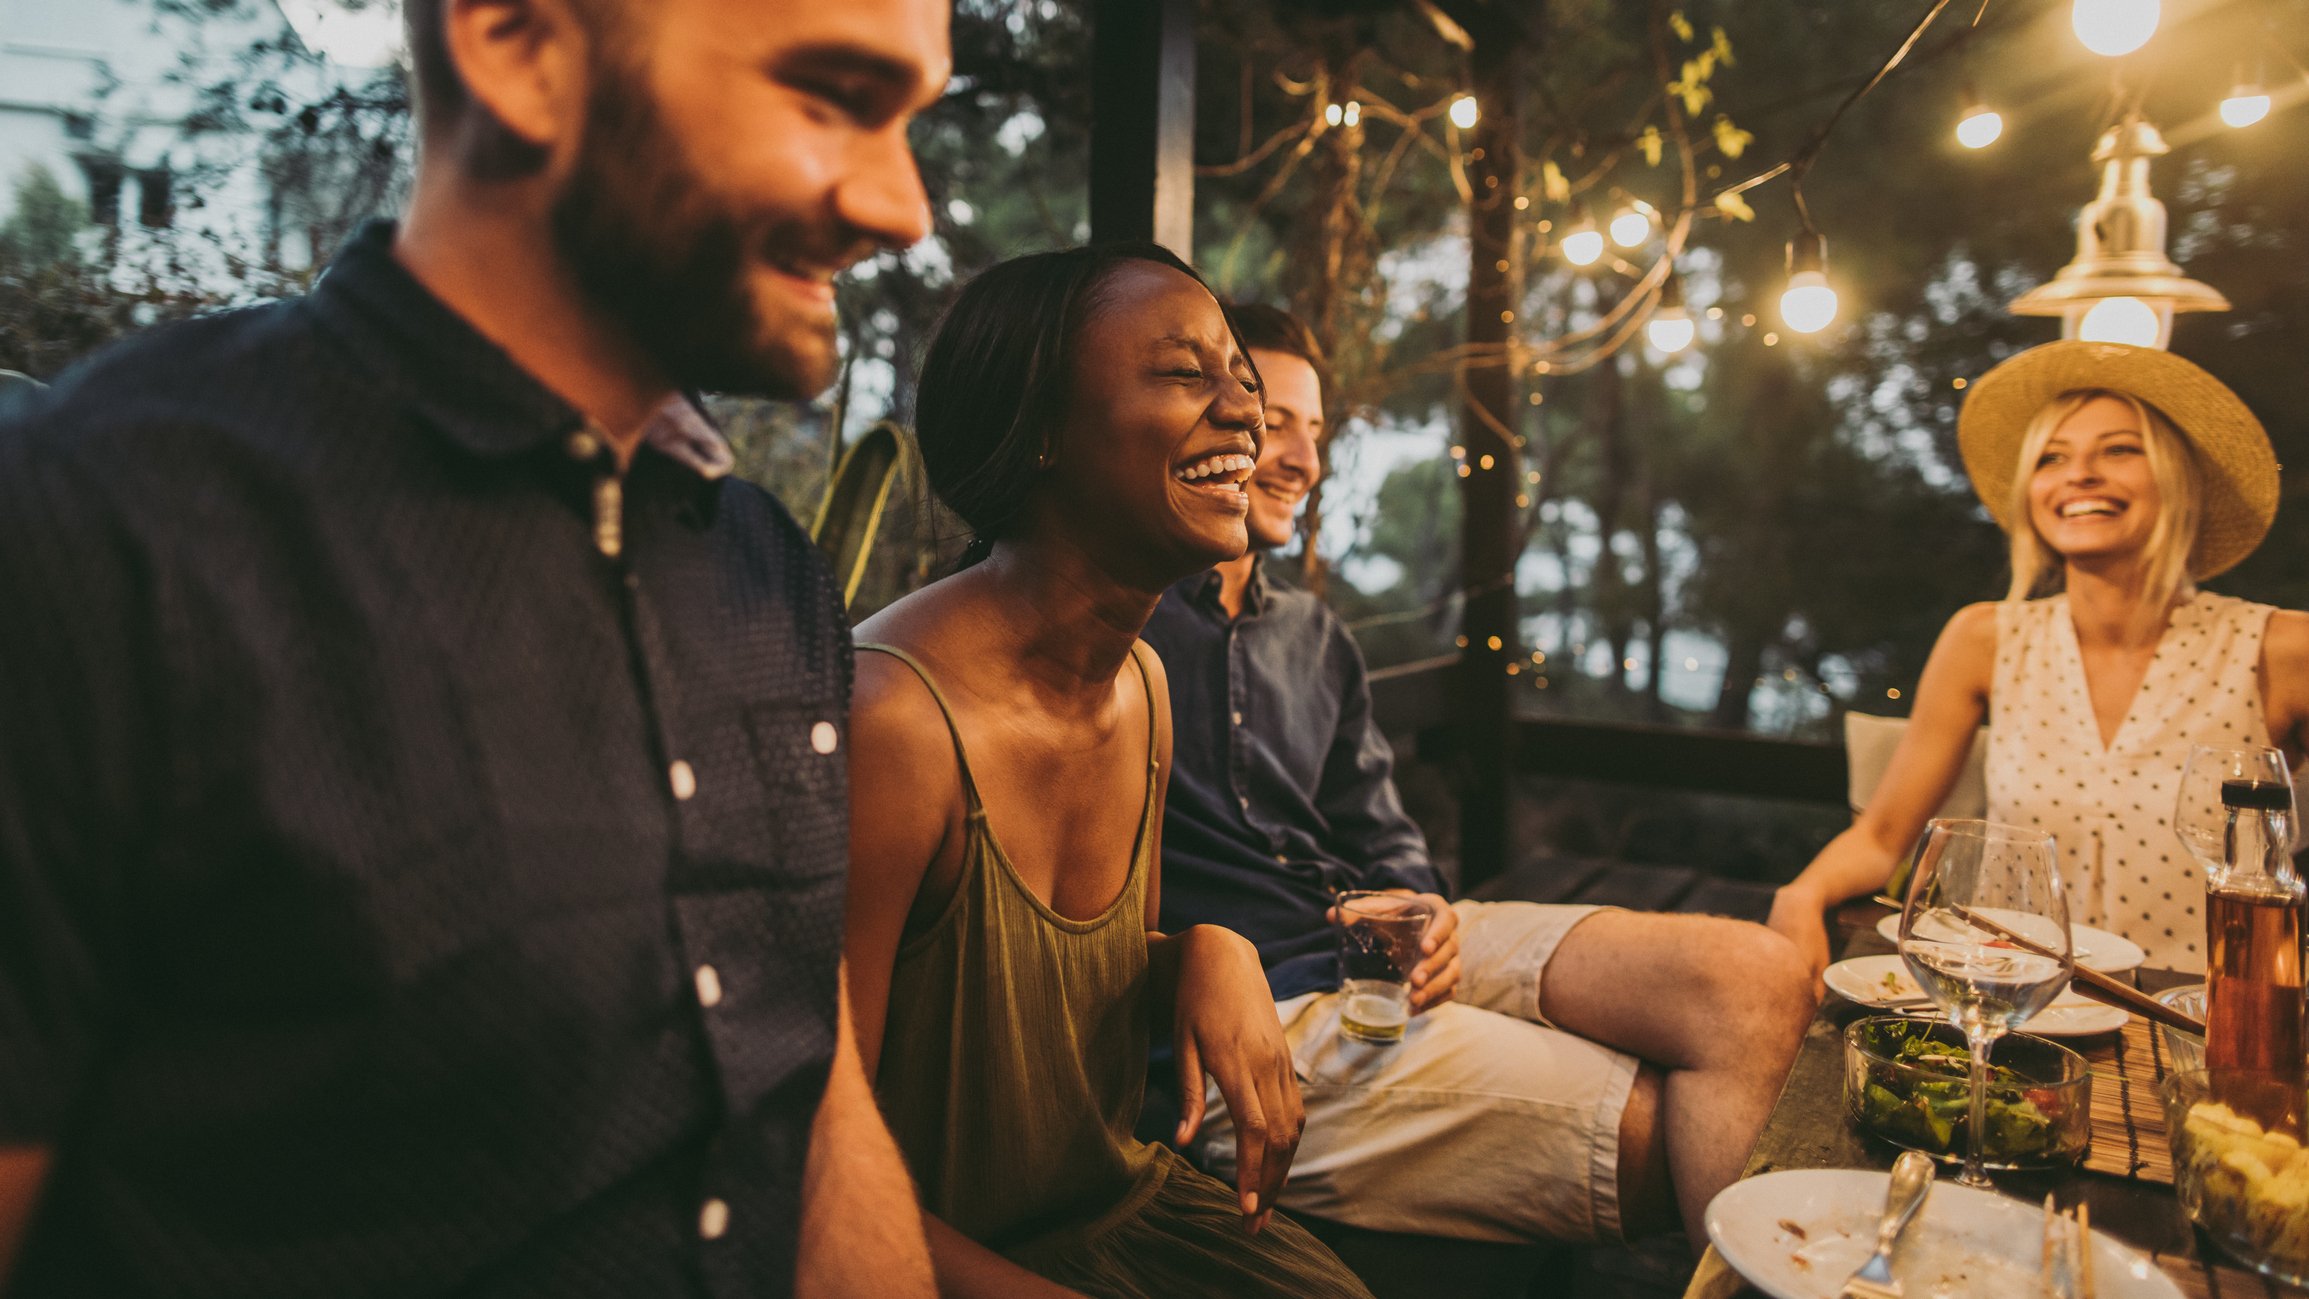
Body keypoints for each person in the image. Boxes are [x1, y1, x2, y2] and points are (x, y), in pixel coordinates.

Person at [0, 1, 952, 1295]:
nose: (904, 206)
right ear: (515, 42)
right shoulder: (89, 534)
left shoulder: (766, 566)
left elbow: (808, 1068)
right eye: (831, 95)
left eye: (914, 120)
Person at [1140, 304, 1816, 1245]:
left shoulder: (1315, 636)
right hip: (1259, 1002)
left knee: (1756, 975)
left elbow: (1376, 824)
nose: (1302, 458)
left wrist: (1423, 904)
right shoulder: (1118, 626)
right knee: (1668, 1123)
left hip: (1377, 950)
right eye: (1272, 422)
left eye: (1314, 429)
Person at [844, 247, 1372, 1299]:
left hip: (1123, 1208)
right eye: (1186, 375)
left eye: (1245, 381)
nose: (1248, 416)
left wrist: (1194, 953)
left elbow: (1019, 1000)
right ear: (1038, 429)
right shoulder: (890, 723)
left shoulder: (1138, 683)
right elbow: (798, 1152)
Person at [1769, 340, 2309, 977]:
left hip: (2205, 1025)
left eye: (2119, 449)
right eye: (2053, 458)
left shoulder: (2281, 648)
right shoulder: (1985, 639)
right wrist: (1799, 895)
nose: (2080, 474)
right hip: (2011, 1012)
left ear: (2178, 479)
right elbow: (1882, 837)